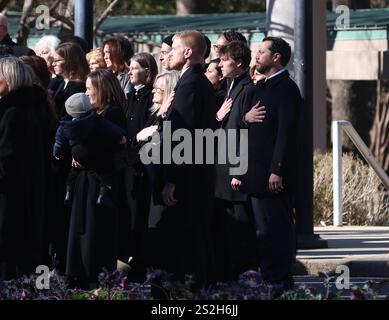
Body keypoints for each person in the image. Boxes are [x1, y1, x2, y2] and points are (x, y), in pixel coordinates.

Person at [241, 36, 301, 296]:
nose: (257, 55)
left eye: (262, 51)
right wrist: (245, 117)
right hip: (256, 174)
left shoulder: (286, 89)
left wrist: (277, 168)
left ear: (276, 57)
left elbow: (286, 133)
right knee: (262, 231)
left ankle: (281, 280)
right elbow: (248, 122)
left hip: (273, 176)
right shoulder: (261, 87)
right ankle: (268, 278)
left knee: (278, 228)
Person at [159, 30, 216, 288]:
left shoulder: (191, 84)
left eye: (173, 48)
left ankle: (190, 295)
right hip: (195, 175)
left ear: (188, 52)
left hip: (189, 179)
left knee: (189, 240)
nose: (169, 53)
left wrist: (172, 180)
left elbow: (182, 137)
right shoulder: (192, 81)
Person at [66, 69, 127, 288]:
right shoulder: (96, 115)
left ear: (101, 90)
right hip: (87, 181)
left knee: (95, 233)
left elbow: (94, 151)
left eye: (90, 89)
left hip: (99, 184)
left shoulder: (111, 114)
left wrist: (78, 153)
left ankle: (94, 279)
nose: (86, 94)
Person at [0, 57, 51, 279]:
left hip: (11, 191)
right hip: (27, 188)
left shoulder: (12, 111)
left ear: (9, 79)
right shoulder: (34, 104)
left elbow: (6, 155)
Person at [53, 93, 126, 208]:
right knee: (104, 170)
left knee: (73, 173)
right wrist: (120, 136)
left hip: (76, 154)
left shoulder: (65, 124)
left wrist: (58, 153)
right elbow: (110, 128)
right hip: (92, 154)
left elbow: (59, 141)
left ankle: (68, 192)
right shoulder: (95, 119)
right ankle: (103, 193)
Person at [122, 52, 158, 279]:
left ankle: (140, 263)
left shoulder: (149, 99)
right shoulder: (130, 98)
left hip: (142, 166)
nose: (129, 72)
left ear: (147, 72)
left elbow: (147, 134)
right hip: (127, 165)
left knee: (140, 214)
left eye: (135, 68)